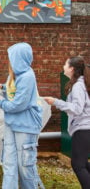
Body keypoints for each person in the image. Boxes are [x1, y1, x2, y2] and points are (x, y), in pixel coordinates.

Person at [0, 42, 45, 189]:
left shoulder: (27, 76)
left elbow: (19, 104)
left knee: (25, 166)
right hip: (11, 124)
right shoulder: (13, 75)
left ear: (19, 58)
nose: (10, 60)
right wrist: (2, 87)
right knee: (9, 163)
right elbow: (13, 90)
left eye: (12, 57)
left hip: (25, 126)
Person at [43, 56, 90, 189]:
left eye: (65, 64)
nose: (63, 66)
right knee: (83, 164)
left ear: (72, 68)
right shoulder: (81, 84)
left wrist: (56, 102)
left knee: (78, 165)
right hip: (84, 130)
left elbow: (77, 109)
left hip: (83, 129)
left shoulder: (78, 86)